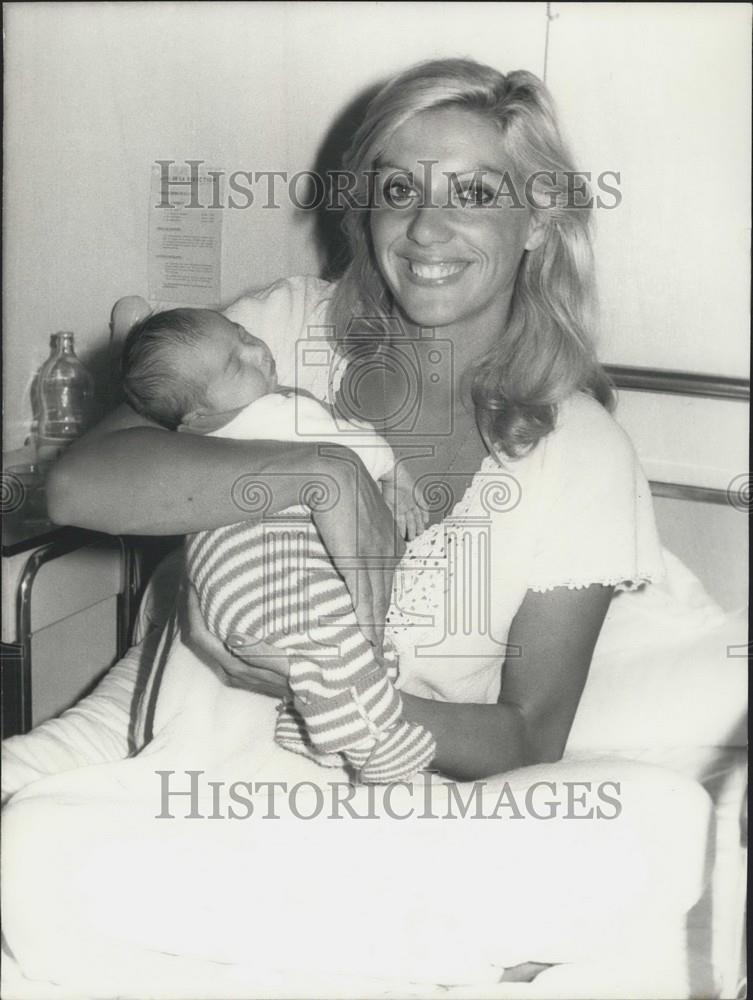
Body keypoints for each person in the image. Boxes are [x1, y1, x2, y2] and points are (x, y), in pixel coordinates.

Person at [3, 58, 725, 993]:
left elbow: (526, 738)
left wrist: (343, 707)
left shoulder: (578, 448)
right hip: (171, 755)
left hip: (387, 801)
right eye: (398, 191)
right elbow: (84, 486)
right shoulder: (273, 334)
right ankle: (398, 956)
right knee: (26, 844)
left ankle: (255, 937)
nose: (426, 229)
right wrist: (319, 473)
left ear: (538, 218)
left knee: (658, 820)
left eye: (472, 192)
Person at [120, 305, 435, 782]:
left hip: (226, 585)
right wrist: (396, 476)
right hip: (277, 568)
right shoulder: (274, 410)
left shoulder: (191, 443)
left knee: (326, 649)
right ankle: (378, 743)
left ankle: (306, 724)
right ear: (199, 412)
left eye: (243, 334)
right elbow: (347, 445)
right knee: (344, 640)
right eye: (234, 364)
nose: (255, 350)